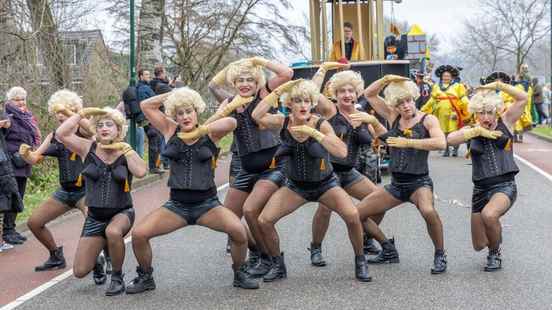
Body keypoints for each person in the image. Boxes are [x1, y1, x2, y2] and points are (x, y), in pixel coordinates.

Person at [124, 87, 259, 293]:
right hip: (176, 206)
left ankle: (240, 272)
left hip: (207, 205)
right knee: (140, 234)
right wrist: (175, 94)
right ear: (174, 115)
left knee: (238, 231)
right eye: (180, 112)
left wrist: (203, 129)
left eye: (189, 111)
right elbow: (145, 106)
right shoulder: (170, 130)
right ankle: (146, 277)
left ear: (197, 111)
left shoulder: (210, 132)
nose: (185, 116)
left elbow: (233, 122)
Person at [252, 79, 372, 282]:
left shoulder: (321, 123)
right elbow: (257, 115)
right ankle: (277, 264)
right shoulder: (283, 121)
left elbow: (341, 151)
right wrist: (279, 90)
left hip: (325, 184)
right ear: (289, 103)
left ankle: (361, 260)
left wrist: (313, 133)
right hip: (295, 187)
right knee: (264, 220)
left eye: (307, 100)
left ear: (313, 103)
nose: (303, 105)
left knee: (352, 215)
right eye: (297, 100)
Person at [207, 57, 293, 278]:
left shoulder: (264, 95)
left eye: (249, 80)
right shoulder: (230, 102)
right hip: (246, 168)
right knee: (228, 218)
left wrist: (258, 61)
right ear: (234, 83)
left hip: (271, 165)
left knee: (251, 210)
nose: (245, 84)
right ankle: (258, 253)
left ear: (257, 83)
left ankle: (275, 262)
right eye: (239, 80)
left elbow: (287, 74)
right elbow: (213, 86)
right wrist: (232, 66)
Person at [360, 75, 448, 274]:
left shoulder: (428, 119)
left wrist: (409, 142)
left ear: (414, 98)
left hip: (419, 183)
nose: (405, 106)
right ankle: (388, 248)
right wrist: (386, 79)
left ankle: (440, 254)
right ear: (395, 105)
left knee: (428, 211)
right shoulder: (393, 117)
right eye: (400, 103)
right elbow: (369, 94)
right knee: (356, 214)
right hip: (396, 185)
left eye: (408, 101)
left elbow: (441, 143)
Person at [18, 90, 109, 282]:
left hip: (87, 190)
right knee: (34, 222)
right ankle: (55, 256)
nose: (60, 119)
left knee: (94, 225)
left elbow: (92, 130)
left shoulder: (83, 130)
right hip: (66, 191)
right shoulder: (54, 135)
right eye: (58, 116)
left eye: (64, 113)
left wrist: (70, 113)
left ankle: (100, 259)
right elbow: (35, 158)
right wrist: (26, 154)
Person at [56, 106, 147, 296]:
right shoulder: (87, 148)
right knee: (80, 271)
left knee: (113, 232)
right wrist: (81, 114)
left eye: (109, 125)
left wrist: (127, 149)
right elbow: (61, 133)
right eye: (100, 125)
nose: (104, 128)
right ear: (95, 130)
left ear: (119, 130)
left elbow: (141, 172)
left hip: (122, 212)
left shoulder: (124, 151)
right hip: (95, 217)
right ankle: (98, 257)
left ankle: (117, 277)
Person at [307, 64, 388, 266]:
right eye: (342, 91)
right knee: (325, 210)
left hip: (349, 172)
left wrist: (373, 122)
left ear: (356, 92)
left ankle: (367, 239)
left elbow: (383, 138)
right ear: (335, 94)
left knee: (379, 203)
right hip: (329, 172)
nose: (347, 94)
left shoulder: (363, 117)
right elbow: (311, 92)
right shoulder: (330, 111)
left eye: (350, 90)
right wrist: (323, 69)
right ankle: (315, 248)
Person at [446, 80, 528, 271]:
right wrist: (475, 131)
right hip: (480, 190)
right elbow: (449, 140)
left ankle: (495, 253)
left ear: (496, 111)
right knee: (479, 244)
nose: (486, 117)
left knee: (489, 215)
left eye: (490, 112)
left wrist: (499, 85)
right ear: (475, 113)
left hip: (504, 185)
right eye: (481, 112)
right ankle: (493, 236)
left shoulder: (506, 122)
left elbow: (523, 98)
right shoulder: (470, 130)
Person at [3, 86, 41, 245]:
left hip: (24, 161)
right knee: (11, 196)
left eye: (22, 99)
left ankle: (11, 229)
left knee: (19, 196)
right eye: (16, 99)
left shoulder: (27, 117)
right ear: (9, 101)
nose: (20, 102)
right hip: (11, 162)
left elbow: (33, 136)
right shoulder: (6, 116)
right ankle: (7, 232)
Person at [421, 65, 470, 157]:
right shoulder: (436, 87)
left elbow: (463, 98)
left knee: (454, 130)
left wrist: (469, 106)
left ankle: (455, 149)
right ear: (441, 77)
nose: (446, 77)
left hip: (453, 111)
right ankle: (446, 149)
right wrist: (423, 108)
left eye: (448, 76)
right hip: (440, 112)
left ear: (452, 77)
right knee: (443, 130)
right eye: (444, 76)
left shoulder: (458, 86)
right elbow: (432, 100)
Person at [0, 107, 23, 252]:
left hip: (3, 165)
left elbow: (7, 124)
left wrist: (6, 123)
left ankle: (1, 240)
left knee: (2, 205)